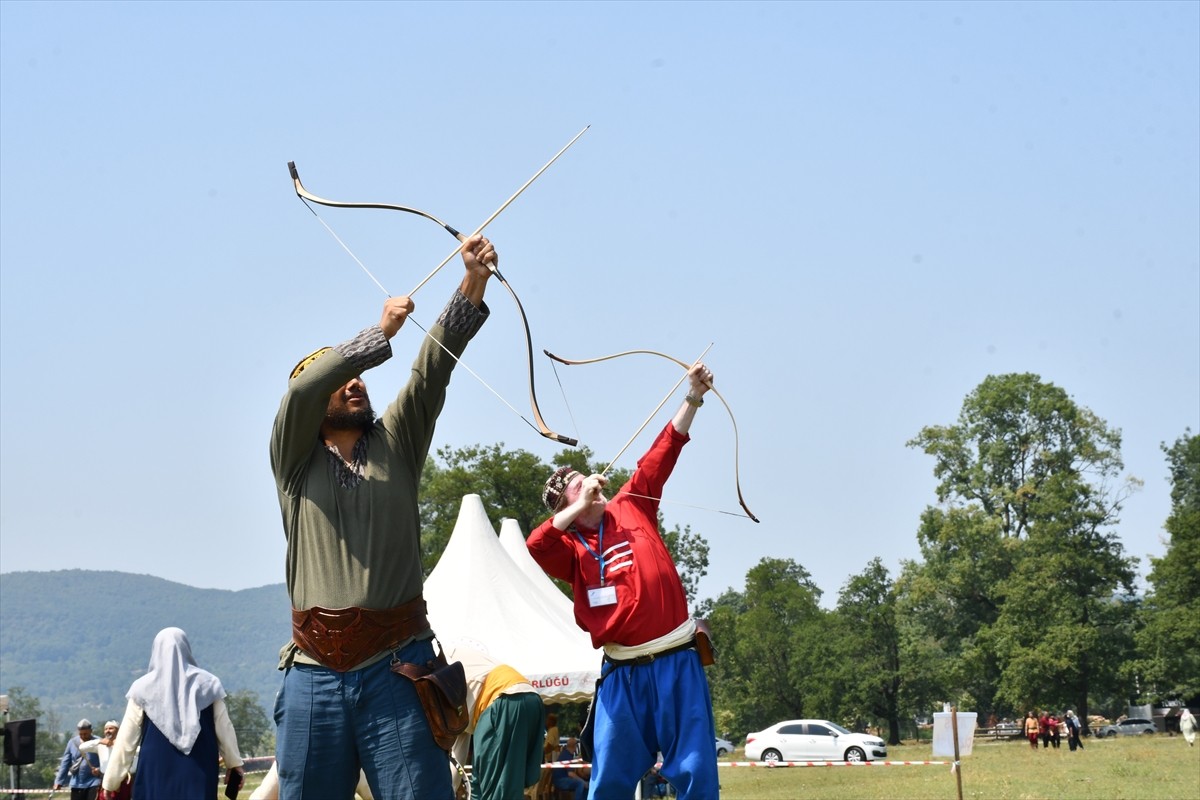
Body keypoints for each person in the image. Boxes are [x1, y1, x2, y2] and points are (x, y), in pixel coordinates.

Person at [270, 235, 496, 800]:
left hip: (398, 666)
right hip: (313, 673)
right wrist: (376, 337)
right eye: (338, 378)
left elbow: (432, 369)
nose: (355, 381)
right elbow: (299, 392)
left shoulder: (396, 441)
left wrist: (472, 280)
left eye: (358, 376)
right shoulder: (293, 462)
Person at [527, 363, 720, 799]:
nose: (587, 485)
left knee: (695, 769)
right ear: (567, 506)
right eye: (576, 488)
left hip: (676, 659)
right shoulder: (570, 548)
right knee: (610, 778)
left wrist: (693, 396)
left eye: (585, 479)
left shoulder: (631, 503)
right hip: (623, 675)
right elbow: (536, 544)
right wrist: (579, 508)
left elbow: (664, 450)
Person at [103, 627, 244, 800]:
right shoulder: (209, 684)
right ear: (186, 648)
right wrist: (234, 764)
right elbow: (224, 728)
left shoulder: (142, 688)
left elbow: (126, 739)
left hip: (155, 769)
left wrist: (111, 781)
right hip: (199, 768)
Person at [445, 645, 545, 800]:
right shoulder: (450, 656)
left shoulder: (438, 664)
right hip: (531, 698)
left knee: (493, 789)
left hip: (502, 700)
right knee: (497, 785)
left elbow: (457, 754)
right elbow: (458, 754)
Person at [81, 720, 132, 800]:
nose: (108, 731)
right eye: (106, 729)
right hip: (105, 780)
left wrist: (118, 745)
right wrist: (99, 741)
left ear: (118, 731)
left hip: (121, 781)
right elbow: (82, 747)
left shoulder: (124, 744)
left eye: (111, 728)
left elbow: (138, 752)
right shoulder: (100, 745)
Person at [53, 719, 102, 800]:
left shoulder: (98, 741)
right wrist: (58, 781)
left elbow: (105, 761)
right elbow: (65, 763)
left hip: (94, 782)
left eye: (85, 734)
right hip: (77, 783)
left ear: (91, 731)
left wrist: (99, 770)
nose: (83, 736)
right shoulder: (72, 743)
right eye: (81, 734)